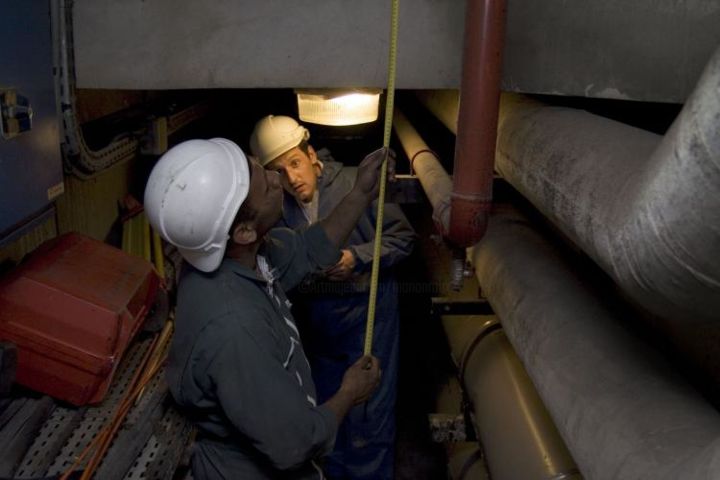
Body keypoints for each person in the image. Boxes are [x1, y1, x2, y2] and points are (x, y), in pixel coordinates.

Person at [144, 137, 392, 479]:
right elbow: (294, 445)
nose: (278, 179)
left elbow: (308, 247)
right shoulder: (235, 329)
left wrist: (362, 193)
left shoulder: (242, 256)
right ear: (244, 231)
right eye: (265, 185)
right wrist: (349, 393)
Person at [250, 116, 416, 480]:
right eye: (279, 171)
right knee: (328, 416)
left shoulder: (357, 183)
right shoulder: (277, 209)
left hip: (367, 318)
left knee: (369, 420)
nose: (292, 178)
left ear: (312, 155)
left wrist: (357, 258)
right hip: (317, 325)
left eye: (295, 163)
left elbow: (402, 239)